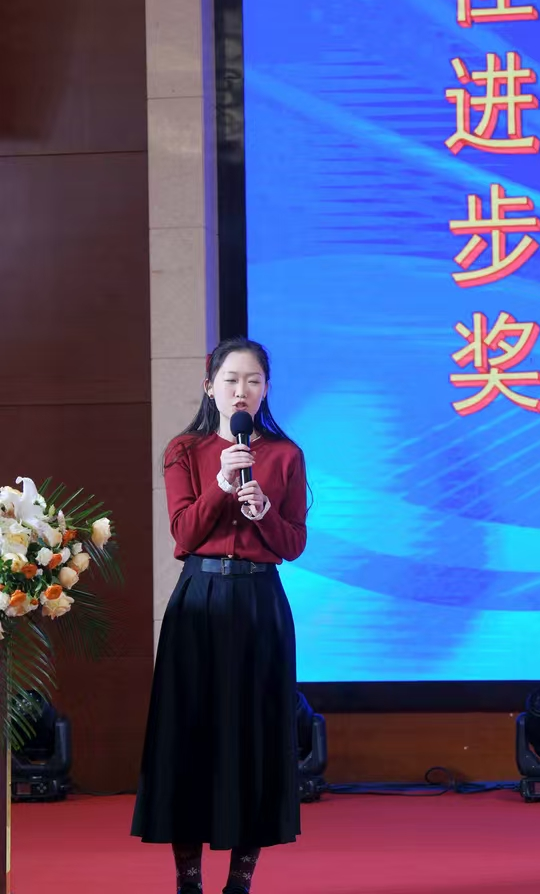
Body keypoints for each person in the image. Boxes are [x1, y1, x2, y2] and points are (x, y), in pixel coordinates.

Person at [131, 337, 308, 894]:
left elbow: (293, 545)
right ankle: (188, 880)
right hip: (200, 603)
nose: (241, 391)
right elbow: (184, 534)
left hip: (260, 605)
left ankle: (240, 881)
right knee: (189, 733)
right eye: (231, 380)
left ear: (266, 389)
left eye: (253, 380)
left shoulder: (285, 455)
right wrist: (223, 485)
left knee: (256, 736)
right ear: (210, 387)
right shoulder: (185, 450)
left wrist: (264, 512)